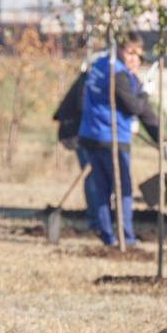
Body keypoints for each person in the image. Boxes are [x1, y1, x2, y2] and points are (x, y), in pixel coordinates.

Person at [77, 32, 161, 246]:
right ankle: (127, 237)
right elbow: (135, 107)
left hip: (90, 134)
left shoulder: (99, 65)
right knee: (123, 189)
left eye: (138, 55)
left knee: (102, 188)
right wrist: (144, 93)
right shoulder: (119, 74)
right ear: (119, 48)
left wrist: (161, 139)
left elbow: (142, 112)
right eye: (130, 52)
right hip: (111, 137)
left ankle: (107, 235)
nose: (134, 58)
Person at [53, 62, 100, 232]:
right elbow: (83, 106)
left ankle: (98, 216)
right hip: (77, 133)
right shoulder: (88, 80)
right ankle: (95, 219)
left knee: (93, 172)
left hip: (84, 131)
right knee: (92, 173)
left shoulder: (91, 78)